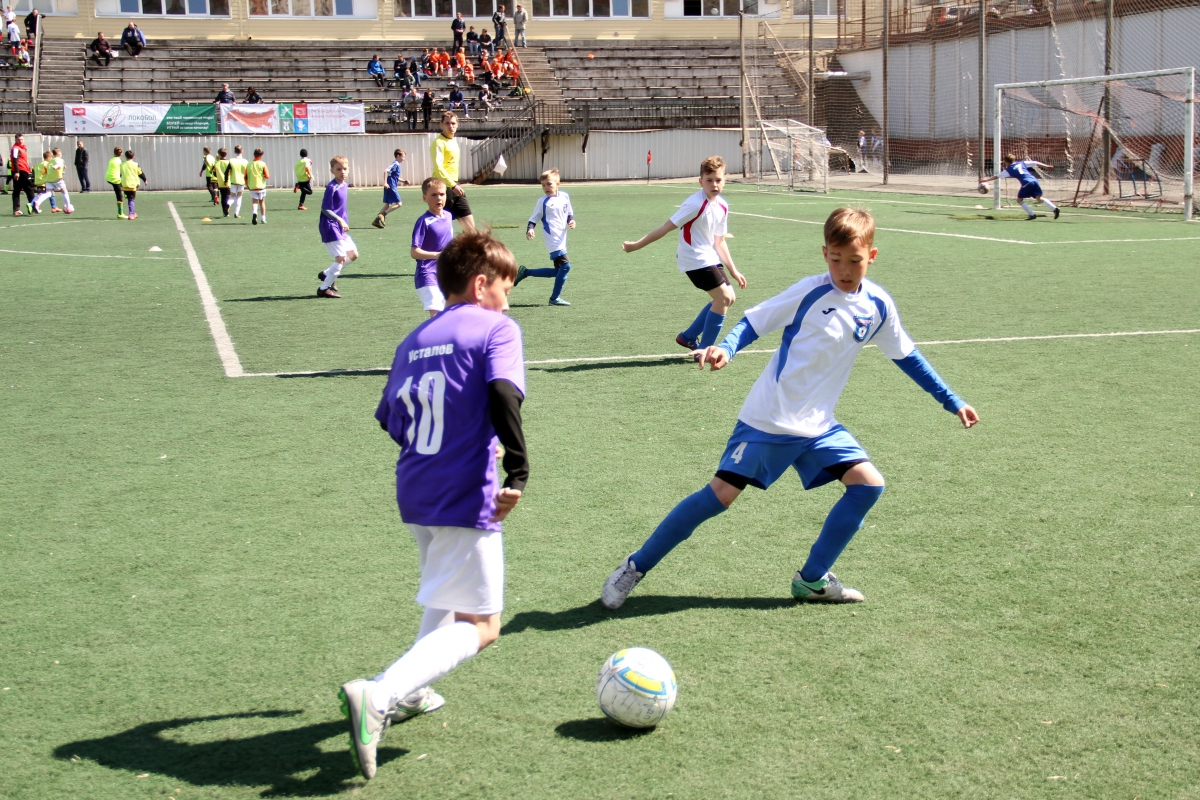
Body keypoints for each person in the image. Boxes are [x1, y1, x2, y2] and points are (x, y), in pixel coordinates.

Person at [601, 207, 980, 611]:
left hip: (818, 425)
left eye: (854, 261)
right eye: (836, 259)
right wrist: (726, 348)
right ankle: (635, 566)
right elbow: (754, 322)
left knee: (868, 485)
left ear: (871, 256)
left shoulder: (878, 305)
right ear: (825, 253)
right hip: (769, 419)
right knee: (720, 496)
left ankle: (812, 579)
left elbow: (908, 356)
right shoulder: (809, 292)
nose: (844, 270)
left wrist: (952, 400)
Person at [338, 229, 526, 782]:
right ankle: (381, 694)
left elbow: (390, 418)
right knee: (483, 623)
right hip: (464, 488)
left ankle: (410, 690)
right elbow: (503, 394)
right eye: (506, 289)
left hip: (415, 486)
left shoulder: (413, 339)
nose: (507, 302)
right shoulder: (497, 328)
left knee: (446, 594)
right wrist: (518, 469)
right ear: (481, 284)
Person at [622, 155, 745, 356]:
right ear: (700, 181)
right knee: (723, 298)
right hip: (693, 258)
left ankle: (688, 337)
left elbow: (720, 241)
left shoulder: (722, 205)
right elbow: (665, 228)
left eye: (718, 180)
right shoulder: (695, 204)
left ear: (725, 180)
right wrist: (636, 245)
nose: (714, 184)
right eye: (709, 180)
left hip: (709, 256)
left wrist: (734, 270)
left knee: (729, 298)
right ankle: (703, 350)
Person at [515, 168, 575, 306]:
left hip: (562, 237)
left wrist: (571, 221)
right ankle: (554, 298)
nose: (546, 187)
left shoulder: (565, 196)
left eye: (549, 184)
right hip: (552, 238)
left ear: (558, 184)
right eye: (543, 185)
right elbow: (534, 217)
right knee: (566, 266)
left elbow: (568, 212)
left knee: (557, 271)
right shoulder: (543, 201)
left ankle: (526, 272)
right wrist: (530, 229)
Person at [409, 177, 454, 316]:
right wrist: (437, 255)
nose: (438, 198)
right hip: (427, 273)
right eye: (433, 195)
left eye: (442, 194)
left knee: (447, 315)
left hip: (445, 274)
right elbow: (414, 252)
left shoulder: (448, 216)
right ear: (425, 198)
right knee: (436, 316)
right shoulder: (424, 221)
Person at [316, 155, 357, 299]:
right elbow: (325, 209)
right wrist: (340, 220)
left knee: (353, 255)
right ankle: (323, 289)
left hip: (339, 227)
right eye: (338, 169)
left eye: (345, 169)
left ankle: (327, 274)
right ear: (332, 171)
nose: (342, 172)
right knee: (340, 258)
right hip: (330, 226)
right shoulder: (332, 187)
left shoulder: (344, 185)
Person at [431, 111, 475, 234]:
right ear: (441, 124)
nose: (451, 126)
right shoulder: (439, 142)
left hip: (454, 185)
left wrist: (454, 185)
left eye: (453, 123)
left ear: (457, 124)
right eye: (447, 123)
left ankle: (461, 246)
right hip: (443, 187)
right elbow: (438, 167)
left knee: (470, 229)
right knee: (443, 230)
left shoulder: (453, 141)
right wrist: (453, 185)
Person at [979, 153, 1059, 220]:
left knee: (1019, 200)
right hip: (1034, 180)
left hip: (1026, 183)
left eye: (1005, 162)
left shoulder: (1009, 169)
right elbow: (1035, 163)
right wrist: (1046, 166)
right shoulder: (1021, 163)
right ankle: (1054, 209)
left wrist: (986, 180)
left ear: (1007, 162)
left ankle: (1032, 215)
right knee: (1039, 198)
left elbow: (997, 176)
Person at [374, 148, 407, 228]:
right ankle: (383, 214)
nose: (404, 159)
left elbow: (395, 177)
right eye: (403, 157)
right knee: (399, 204)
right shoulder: (395, 164)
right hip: (391, 186)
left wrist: (404, 181)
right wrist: (385, 183)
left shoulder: (397, 165)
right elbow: (386, 171)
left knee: (387, 205)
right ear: (398, 156)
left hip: (390, 185)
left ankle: (376, 221)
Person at [33, 147, 71, 214]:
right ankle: (68, 207)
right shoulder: (59, 159)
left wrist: (60, 168)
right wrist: (56, 166)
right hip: (57, 179)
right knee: (64, 191)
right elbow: (58, 163)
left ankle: (37, 203)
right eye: (61, 153)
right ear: (59, 153)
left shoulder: (50, 161)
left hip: (49, 180)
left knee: (48, 193)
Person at [10, 134, 35, 214]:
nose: (20, 141)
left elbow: (24, 160)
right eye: (19, 140)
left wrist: (28, 167)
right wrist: (17, 172)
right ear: (15, 140)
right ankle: (32, 207)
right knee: (28, 188)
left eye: (22, 139)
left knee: (19, 189)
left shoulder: (23, 148)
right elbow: (15, 160)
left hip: (24, 170)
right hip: (20, 171)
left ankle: (18, 209)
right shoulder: (15, 148)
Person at [119, 149, 146, 220]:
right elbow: (140, 173)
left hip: (125, 184)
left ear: (126, 156)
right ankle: (131, 214)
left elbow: (120, 174)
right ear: (133, 156)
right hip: (133, 184)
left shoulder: (122, 165)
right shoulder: (135, 164)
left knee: (130, 198)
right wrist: (145, 180)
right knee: (131, 199)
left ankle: (133, 213)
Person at [247, 147, 270, 225]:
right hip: (261, 186)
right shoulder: (263, 164)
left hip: (252, 186)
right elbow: (267, 176)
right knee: (262, 202)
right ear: (261, 156)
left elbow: (245, 176)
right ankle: (263, 218)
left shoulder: (249, 164)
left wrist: (248, 185)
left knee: (254, 202)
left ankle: (254, 213)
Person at [226, 144, 249, 219]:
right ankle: (236, 213)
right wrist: (248, 182)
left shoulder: (231, 160)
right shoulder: (245, 161)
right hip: (242, 181)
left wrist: (226, 180)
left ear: (234, 152)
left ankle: (228, 204)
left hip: (233, 181)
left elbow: (226, 171)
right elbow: (247, 173)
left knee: (232, 197)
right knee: (239, 197)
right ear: (242, 151)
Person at [104, 144, 125, 219]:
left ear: (114, 153)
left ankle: (125, 192)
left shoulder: (111, 160)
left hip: (108, 178)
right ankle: (120, 213)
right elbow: (122, 171)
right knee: (119, 196)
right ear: (121, 154)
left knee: (121, 188)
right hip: (115, 179)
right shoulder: (120, 161)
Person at [214, 147, 231, 217]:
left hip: (220, 183)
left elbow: (214, 173)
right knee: (228, 196)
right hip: (228, 182)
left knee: (223, 197)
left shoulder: (217, 163)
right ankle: (227, 207)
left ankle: (224, 211)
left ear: (219, 154)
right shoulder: (229, 162)